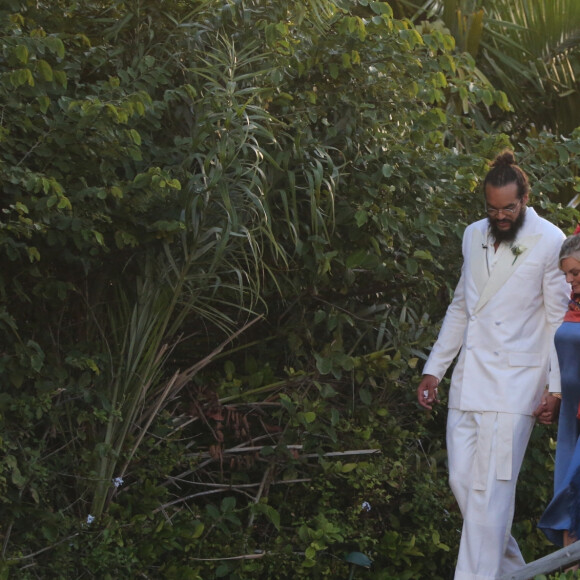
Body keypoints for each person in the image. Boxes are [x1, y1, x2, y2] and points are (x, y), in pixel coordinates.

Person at [416, 149, 570, 580]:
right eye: (492, 208)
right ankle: (513, 575)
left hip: (516, 385)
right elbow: (462, 307)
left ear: (524, 198)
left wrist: (556, 389)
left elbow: (557, 320)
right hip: (469, 381)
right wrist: (435, 369)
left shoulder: (550, 239)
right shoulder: (471, 235)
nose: (500, 216)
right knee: (464, 487)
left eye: (509, 207)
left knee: (489, 496)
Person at [538, 232, 580, 550]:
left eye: (575, 272)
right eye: (566, 273)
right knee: (569, 502)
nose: (568, 280)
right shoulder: (574, 306)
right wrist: (554, 392)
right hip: (571, 420)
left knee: (574, 498)